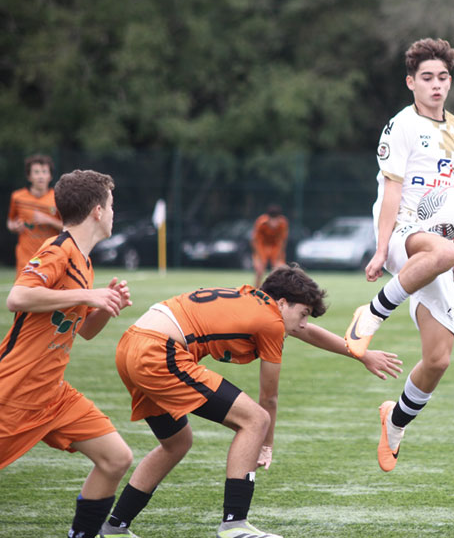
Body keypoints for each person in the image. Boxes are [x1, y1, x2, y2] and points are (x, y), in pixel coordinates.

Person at [99, 264, 402, 538]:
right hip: (157, 353)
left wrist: (358, 353)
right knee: (255, 419)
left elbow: (303, 331)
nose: (303, 323)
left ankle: (114, 527)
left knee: (177, 443)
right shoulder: (270, 321)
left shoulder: (253, 299)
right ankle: (235, 525)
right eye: (304, 313)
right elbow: (268, 398)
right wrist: (266, 444)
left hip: (130, 346)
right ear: (282, 303)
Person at [343, 37, 454, 472]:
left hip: (437, 244)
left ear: (449, 82)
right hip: (402, 230)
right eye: (427, 78)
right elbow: (393, 189)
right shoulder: (400, 126)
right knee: (435, 250)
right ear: (411, 82)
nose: (436, 85)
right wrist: (381, 250)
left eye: (442, 78)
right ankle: (374, 314)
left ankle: (395, 422)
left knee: (438, 359)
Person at [0, 169, 134, 538]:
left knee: (116, 458)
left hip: (53, 394)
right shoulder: (58, 249)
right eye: (111, 205)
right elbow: (18, 297)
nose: (112, 212)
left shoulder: (85, 262)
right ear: (96, 210)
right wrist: (87, 296)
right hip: (14, 391)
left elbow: (84, 332)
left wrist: (105, 307)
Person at [7, 153, 64, 273]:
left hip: (50, 256)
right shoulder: (17, 197)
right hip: (26, 257)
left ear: (50, 176)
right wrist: (14, 227)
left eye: (44, 172)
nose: (41, 176)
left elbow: (67, 227)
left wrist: (48, 220)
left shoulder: (58, 198)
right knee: (23, 291)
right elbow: (11, 221)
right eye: (36, 172)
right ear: (29, 176)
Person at [252, 204, 289, 287]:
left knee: (280, 269)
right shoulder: (261, 222)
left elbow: (282, 240)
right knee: (259, 270)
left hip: (275, 247)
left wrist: (279, 257)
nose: (274, 223)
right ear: (268, 218)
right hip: (262, 246)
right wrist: (258, 257)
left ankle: (278, 291)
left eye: (276, 220)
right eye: (272, 220)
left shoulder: (283, 223)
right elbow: (255, 240)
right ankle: (255, 291)